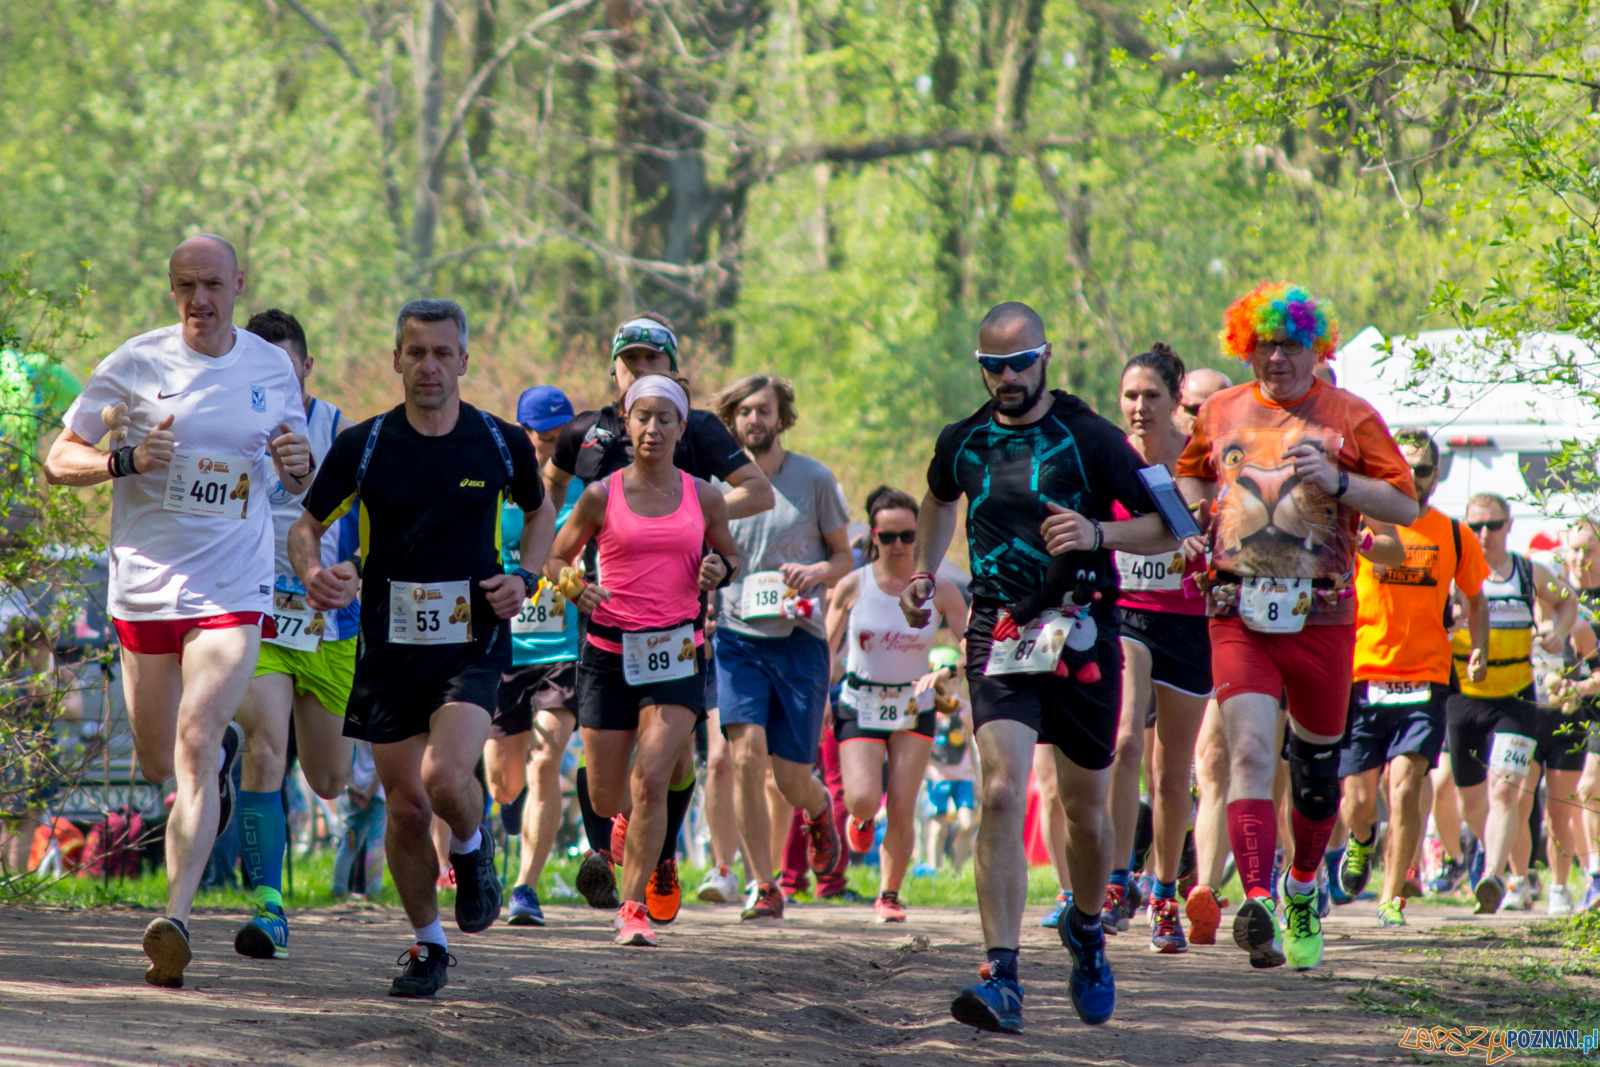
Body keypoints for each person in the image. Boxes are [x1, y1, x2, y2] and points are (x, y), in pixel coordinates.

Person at [902, 301, 1181, 1033]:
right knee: (999, 788)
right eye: (991, 367)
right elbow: (935, 500)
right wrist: (927, 574)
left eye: (1018, 364)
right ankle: (1001, 973)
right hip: (999, 630)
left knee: (1084, 814)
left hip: (1083, 631)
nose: (1006, 379)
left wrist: (1097, 529)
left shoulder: (1091, 437)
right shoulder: (962, 440)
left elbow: (1171, 522)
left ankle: (1086, 933)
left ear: (1045, 358)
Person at [43, 234, 313, 988]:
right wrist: (122, 461)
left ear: (238, 285)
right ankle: (209, 772)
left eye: (213, 285)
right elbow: (57, 456)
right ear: (172, 290)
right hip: (146, 585)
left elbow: (297, 466)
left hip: (233, 586)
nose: (200, 299)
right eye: (186, 285)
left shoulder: (267, 366)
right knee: (164, 758)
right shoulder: (135, 362)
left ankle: (176, 921)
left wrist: (300, 465)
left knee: (196, 738)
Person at [291, 298, 554, 997]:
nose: (429, 365)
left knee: (444, 777)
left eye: (443, 352)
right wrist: (316, 574)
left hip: (472, 642)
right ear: (398, 360)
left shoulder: (500, 442)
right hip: (388, 648)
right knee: (405, 807)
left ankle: (471, 847)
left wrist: (525, 577)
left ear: (463, 361)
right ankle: (428, 943)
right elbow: (306, 526)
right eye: (417, 352)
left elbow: (539, 511)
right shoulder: (367, 445)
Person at [1175, 281, 1420, 973]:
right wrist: (1193, 520)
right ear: (1242, 347)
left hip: (1324, 614)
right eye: (1262, 345)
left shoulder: (1350, 415)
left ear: (1317, 347)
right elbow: (1189, 480)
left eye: (1289, 344)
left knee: (1315, 778)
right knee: (1250, 753)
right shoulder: (1220, 411)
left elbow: (1403, 505)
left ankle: (1302, 888)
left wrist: (1340, 481)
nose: (1275, 357)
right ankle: (1256, 899)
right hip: (1237, 610)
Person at [544, 314, 773, 918]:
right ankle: (625, 835)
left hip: (677, 633)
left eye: (654, 361)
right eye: (631, 361)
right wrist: (567, 579)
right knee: (608, 787)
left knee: (659, 771)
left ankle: (642, 887)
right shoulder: (586, 440)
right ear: (615, 373)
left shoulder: (694, 432)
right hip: (607, 632)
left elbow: (752, 503)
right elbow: (547, 518)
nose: (642, 373)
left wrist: (706, 542)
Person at [222, 307, 359, 961]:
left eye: (286, 367)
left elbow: (378, 525)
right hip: (260, 617)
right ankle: (269, 905)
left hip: (332, 623)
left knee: (330, 779)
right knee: (265, 751)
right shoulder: (227, 427)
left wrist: (354, 572)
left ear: (306, 366)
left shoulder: (343, 432)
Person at [708, 374, 851, 920]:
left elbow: (844, 558)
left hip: (799, 639)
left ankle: (818, 811)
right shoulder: (717, 487)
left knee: (791, 778)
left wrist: (816, 570)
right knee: (744, 756)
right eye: (745, 411)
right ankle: (764, 884)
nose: (754, 420)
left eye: (764, 410)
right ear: (733, 419)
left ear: (782, 417)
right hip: (738, 638)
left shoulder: (814, 479)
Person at [1336, 429, 1488, 927]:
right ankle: (1361, 841)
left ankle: (1392, 896)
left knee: (1405, 787)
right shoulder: (1364, 522)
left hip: (1425, 677)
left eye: (1422, 469)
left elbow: (1476, 597)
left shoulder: (1454, 533)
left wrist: (1479, 651)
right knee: (1359, 801)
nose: (1413, 477)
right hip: (1364, 672)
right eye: (1404, 467)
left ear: (1436, 475)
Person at [1103, 343, 1213, 954]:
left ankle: (1164, 894)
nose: (1139, 407)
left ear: (1176, 403)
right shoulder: (1108, 458)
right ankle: (1117, 879)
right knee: (1122, 741)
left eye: (1152, 396)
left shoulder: (1198, 462)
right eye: (1130, 396)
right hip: (1125, 617)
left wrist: (1207, 544)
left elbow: (1224, 535)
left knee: (1173, 774)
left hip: (1187, 622)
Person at [825, 486, 966, 922]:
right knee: (864, 799)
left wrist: (948, 672)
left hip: (914, 704)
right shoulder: (853, 585)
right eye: (889, 538)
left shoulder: (940, 588)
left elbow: (970, 646)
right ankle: (864, 820)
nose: (899, 546)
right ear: (873, 537)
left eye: (908, 536)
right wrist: (819, 704)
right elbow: (824, 653)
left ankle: (889, 894)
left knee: (903, 804)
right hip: (860, 701)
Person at [481, 385, 582, 928]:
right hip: (505, 647)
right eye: (540, 437)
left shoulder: (584, 488)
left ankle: (524, 888)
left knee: (548, 759)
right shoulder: (500, 488)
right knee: (504, 781)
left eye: (558, 436)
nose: (549, 447)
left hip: (564, 649)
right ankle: (508, 815)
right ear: (522, 434)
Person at [1444, 492, 1574, 913]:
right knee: (1472, 800)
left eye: (1493, 525)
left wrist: (1558, 629)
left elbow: (1566, 599)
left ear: (1509, 524)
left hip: (1516, 699)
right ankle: (1490, 855)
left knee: (1506, 790)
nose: (1484, 535)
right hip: (1463, 696)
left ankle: (1494, 876)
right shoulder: (1452, 572)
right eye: (1475, 526)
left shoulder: (1526, 570)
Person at [924, 646, 977, 872]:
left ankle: (956, 870)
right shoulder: (927, 711)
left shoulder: (964, 709)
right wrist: (927, 772)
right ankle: (934, 871)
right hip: (937, 776)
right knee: (938, 829)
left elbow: (973, 744)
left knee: (967, 825)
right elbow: (922, 747)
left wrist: (980, 776)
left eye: (952, 682)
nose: (947, 688)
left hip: (963, 776)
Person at [332, 741, 386, 899]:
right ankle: (373, 891)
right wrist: (369, 792)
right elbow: (381, 763)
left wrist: (351, 785)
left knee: (349, 842)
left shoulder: (353, 722)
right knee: (375, 843)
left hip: (354, 792)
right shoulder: (377, 722)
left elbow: (345, 756)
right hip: (376, 794)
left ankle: (338, 888)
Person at [1173, 367, 1231, 438]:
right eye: (1197, 410)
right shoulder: (1159, 447)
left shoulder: (1243, 446)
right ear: (1175, 409)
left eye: (1219, 411)